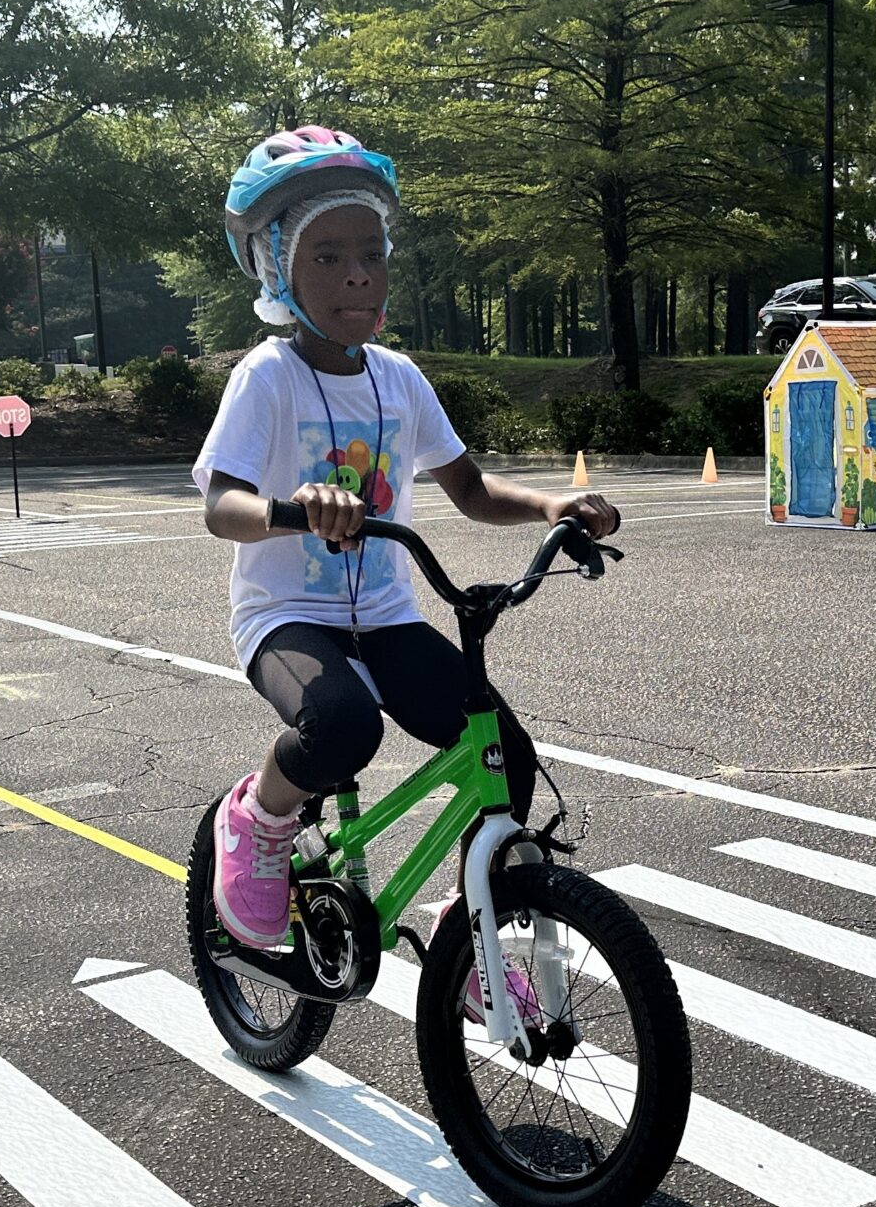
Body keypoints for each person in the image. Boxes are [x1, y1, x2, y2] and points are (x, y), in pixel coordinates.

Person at [195, 125, 619, 952]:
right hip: (288, 617)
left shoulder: (400, 378)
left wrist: (548, 506)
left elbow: (468, 489)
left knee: (505, 755)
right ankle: (258, 817)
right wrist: (291, 506)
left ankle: (473, 935)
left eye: (371, 252)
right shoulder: (267, 376)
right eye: (325, 257)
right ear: (277, 269)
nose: (358, 272)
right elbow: (222, 505)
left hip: (384, 617)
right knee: (344, 729)